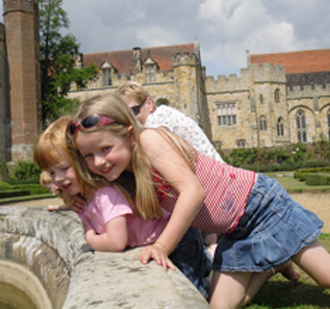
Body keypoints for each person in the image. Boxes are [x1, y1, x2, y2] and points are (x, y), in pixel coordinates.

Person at [67, 93, 330, 309]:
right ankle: (273, 264)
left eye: (105, 149)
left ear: (130, 135)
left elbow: (192, 193)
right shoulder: (126, 172)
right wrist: (69, 197)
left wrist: (162, 246)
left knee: (326, 276)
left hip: (260, 207)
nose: (98, 162)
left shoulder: (150, 141)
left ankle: (277, 254)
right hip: (235, 230)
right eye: (88, 155)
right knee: (219, 306)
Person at [34, 116, 209, 297]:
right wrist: (67, 201)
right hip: (162, 240)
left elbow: (116, 241)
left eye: (64, 168)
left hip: (178, 241)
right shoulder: (86, 195)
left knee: (191, 294)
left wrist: (89, 237)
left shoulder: (106, 193)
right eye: (51, 172)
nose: (57, 179)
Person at [117, 80, 220, 256]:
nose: (132, 120)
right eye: (127, 116)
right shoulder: (159, 117)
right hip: (205, 179)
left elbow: (152, 146)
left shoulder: (158, 119)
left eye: (134, 111)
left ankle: (209, 252)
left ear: (149, 103)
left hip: (213, 181)